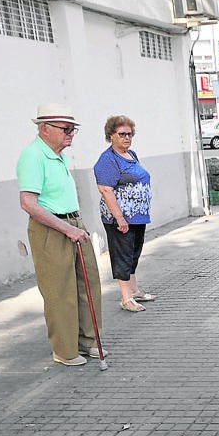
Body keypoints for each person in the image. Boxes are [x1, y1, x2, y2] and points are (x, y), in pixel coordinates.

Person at [16, 103, 103, 367]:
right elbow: (28, 203)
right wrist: (67, 229)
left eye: (73, 129)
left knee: (88, 285)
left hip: (72, 223)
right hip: (52, 230)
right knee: (59, 291)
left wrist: (76, 226)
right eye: (65, 129)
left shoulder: (58, 154)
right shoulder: (33, 156)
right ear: (45, 128)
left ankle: (88, 341)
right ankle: (65, 350)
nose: (71, 135)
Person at [93, 115, 156, 312]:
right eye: (122, 134)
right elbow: (105, 189)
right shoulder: (108, 159)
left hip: (137, 216)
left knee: (133, 253)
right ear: (111, 135)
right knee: (122, 254)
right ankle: (126, 298)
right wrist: (119, 218)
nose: (127, 138)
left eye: (129, 134)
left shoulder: (132, 155)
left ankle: (134, 290)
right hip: (120, 218)